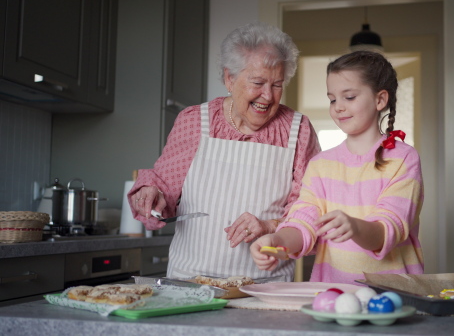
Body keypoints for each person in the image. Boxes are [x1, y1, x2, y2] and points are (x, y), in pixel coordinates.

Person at [128, 22, 320, 281]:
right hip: (190, 283)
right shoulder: (195, 121)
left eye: (277, 84)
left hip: (265, 287)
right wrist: (153, 196)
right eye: (258, 82)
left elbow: (308, 209)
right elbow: (165, 189)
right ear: (230, 78)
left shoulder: (298, 130)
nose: (268, 95)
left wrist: (267, 226)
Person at [250, 51, 424, 284]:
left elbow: (389, 229)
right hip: (332, 295)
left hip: (393, 295)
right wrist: (277, 240)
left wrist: (355, 227)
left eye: (349, 97)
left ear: (380, 100)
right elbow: (303, 221)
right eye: (333, 99)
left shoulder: (403, 159)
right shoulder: (321, 165)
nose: (338, 107)